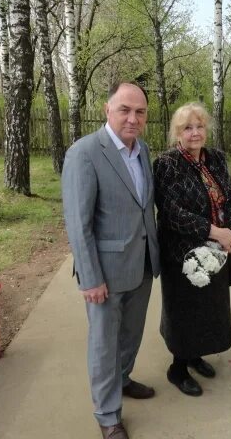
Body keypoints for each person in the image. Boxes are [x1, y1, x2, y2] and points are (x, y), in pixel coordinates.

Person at [62, 82, 160, 439]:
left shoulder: (142, 150)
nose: (133, 118)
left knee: (131, 335)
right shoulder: (84, 153)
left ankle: (122, 380)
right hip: (105, 273)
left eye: (140, 112)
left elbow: (141, 207)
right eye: (125, 110)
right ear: (107, 110)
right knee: (104, 344)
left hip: (143, 265)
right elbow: (78, 222)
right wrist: (90, 278)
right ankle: (107, 414)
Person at [153, 102, 231, 397]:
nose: (195, 133)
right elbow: (170, 212)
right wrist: (214, 232)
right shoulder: (167, 163)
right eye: (187, 128)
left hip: (216, 251)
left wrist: (228, 234)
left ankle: (195, 355)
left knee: (208, 308)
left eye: (199, 126)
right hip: (181, 253)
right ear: (177, 133)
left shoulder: (216, 158)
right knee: (184, 310)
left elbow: (230, 198)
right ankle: (177, 368)